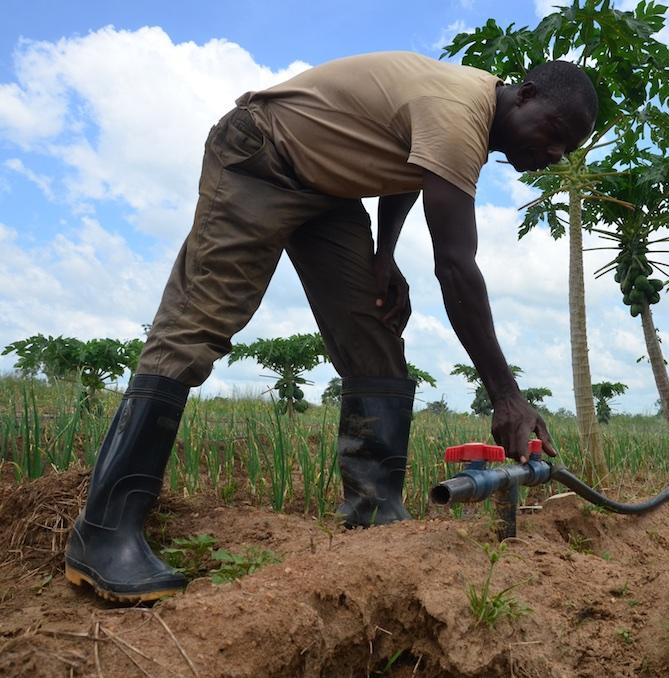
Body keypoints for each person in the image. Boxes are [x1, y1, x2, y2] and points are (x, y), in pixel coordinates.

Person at [63, 51, 598, 602]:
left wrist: (384, 256)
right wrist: (506, 396)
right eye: (554, 132)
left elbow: (405, 170)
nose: (554, 153)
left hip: (328, 191)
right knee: (198, 323)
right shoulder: (459, 110)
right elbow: (456, 268)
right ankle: (103, 534)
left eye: (567, 149)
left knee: (374, 335)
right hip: (262, 154)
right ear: (526, 94)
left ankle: (373, 517)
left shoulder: (468, 120)